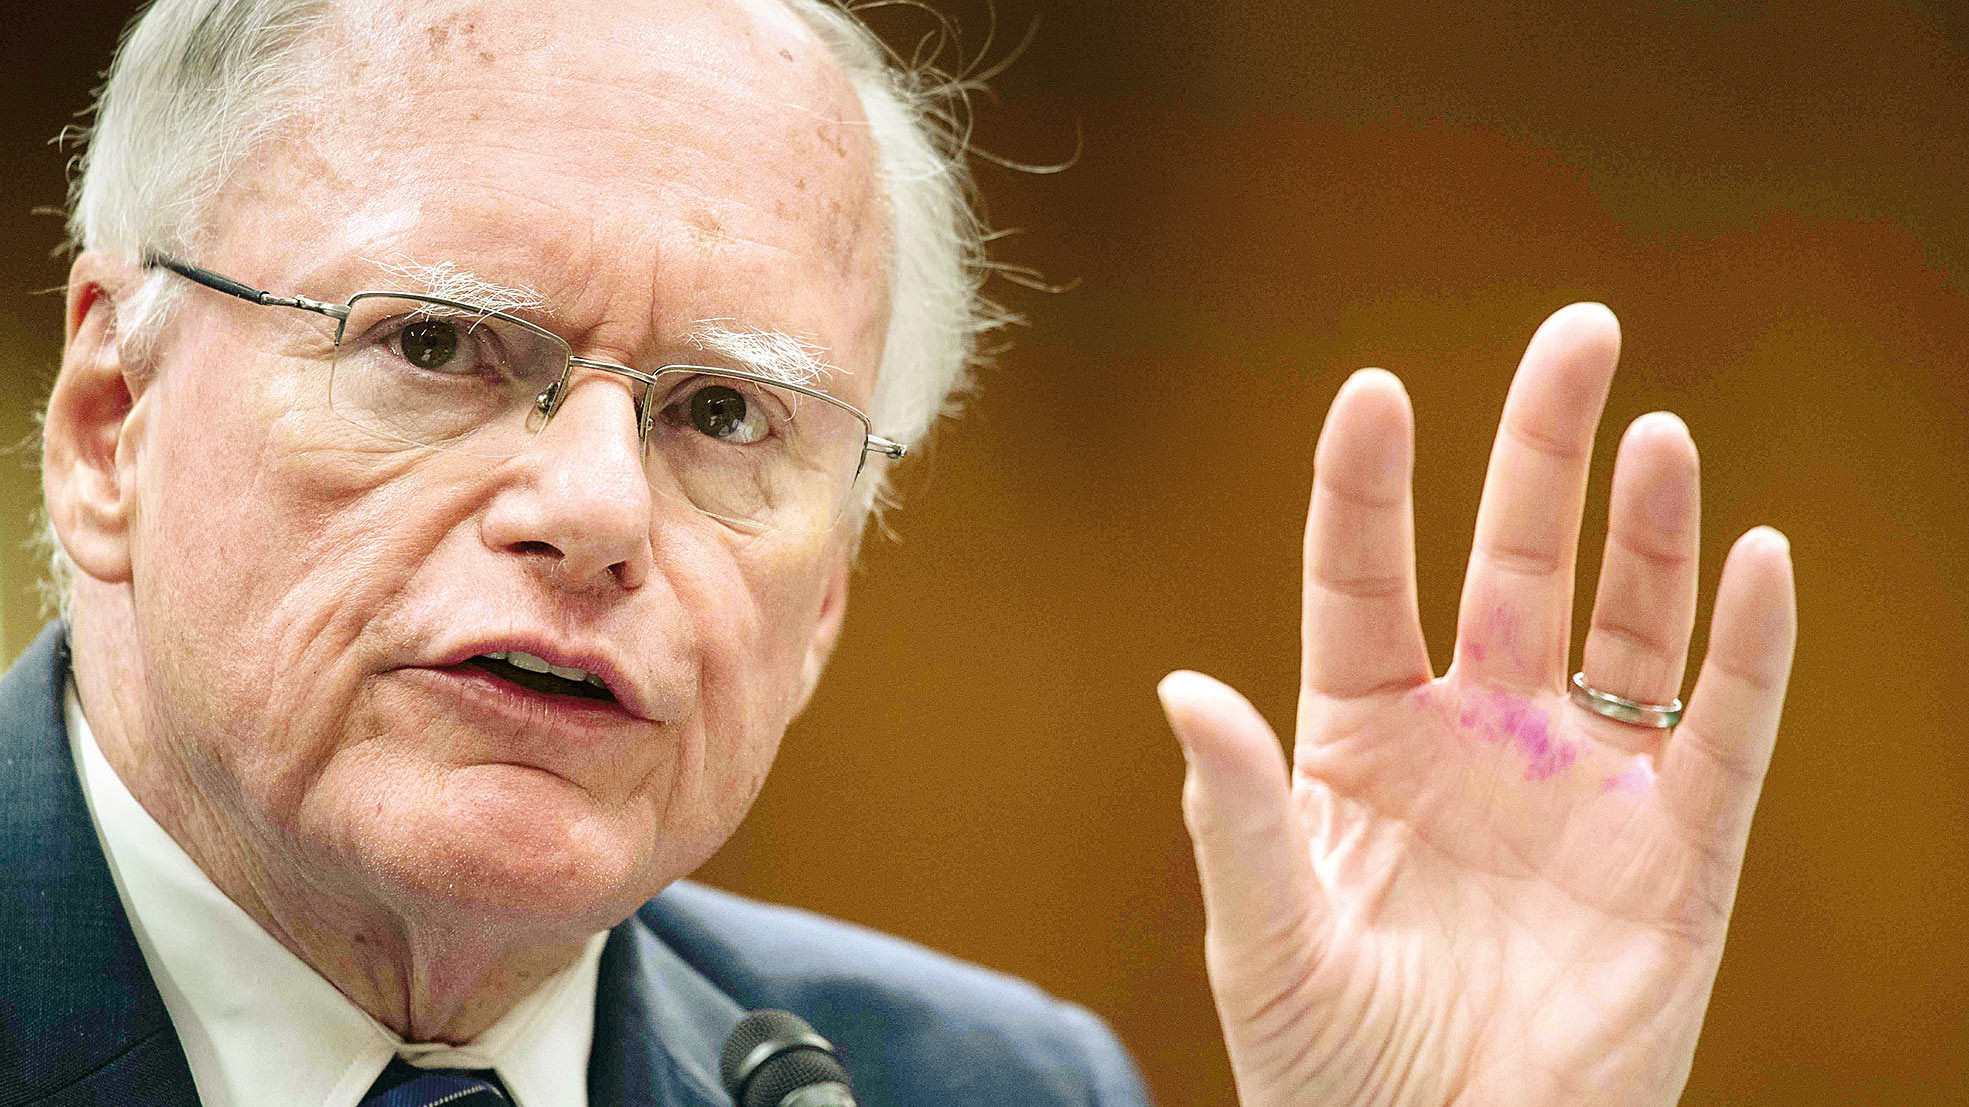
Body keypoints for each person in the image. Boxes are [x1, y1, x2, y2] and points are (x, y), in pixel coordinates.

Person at [2, 0, 1797, 1104]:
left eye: (724, 415)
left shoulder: (985, 1092)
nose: (601, 512)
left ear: (829, 598)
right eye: (437, 346)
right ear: (109, 424)